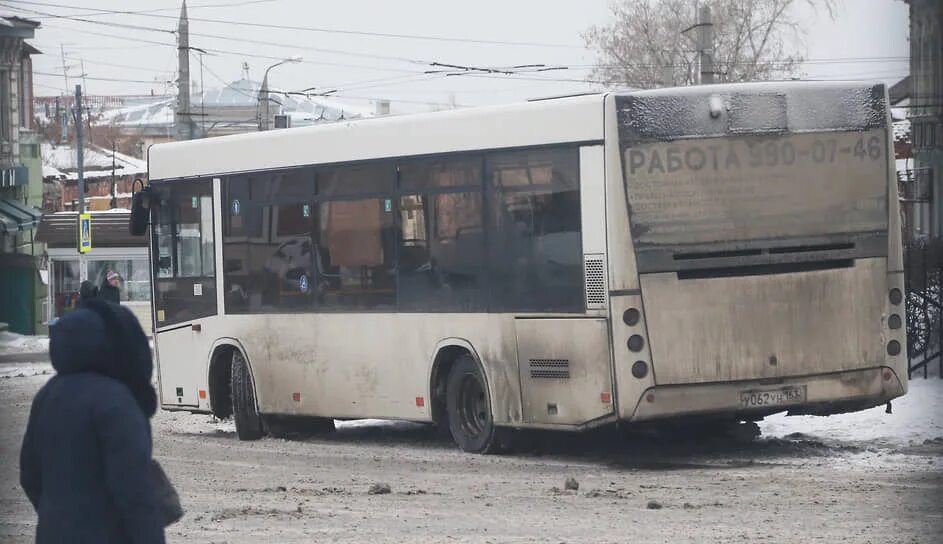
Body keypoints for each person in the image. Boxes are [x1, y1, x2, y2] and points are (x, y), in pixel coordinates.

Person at [20, 299, 165, 544]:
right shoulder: (117, 401)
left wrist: (59, 517)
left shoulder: (47, 395)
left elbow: (30, 476)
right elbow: (134, 492)